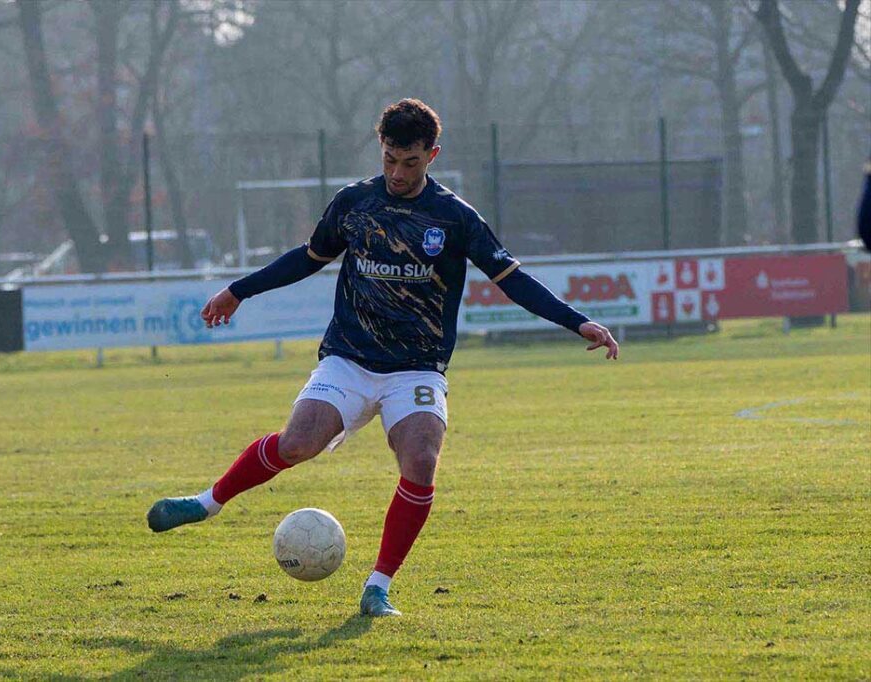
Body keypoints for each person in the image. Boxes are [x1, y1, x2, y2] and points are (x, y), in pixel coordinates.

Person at [147, 99, 619, 617]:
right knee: (297, 443)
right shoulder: (355, 203)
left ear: (432, 155)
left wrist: (578, 321)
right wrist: (240, 290)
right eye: (390, 159)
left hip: (417, 367)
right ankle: (206, 502)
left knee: (420, 460)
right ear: (382, 149)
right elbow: (308, 258)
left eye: (410, 162)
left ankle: (378, 587)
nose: (397, 172)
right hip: (349, 358)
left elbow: (513, 281)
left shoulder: (456, 218)